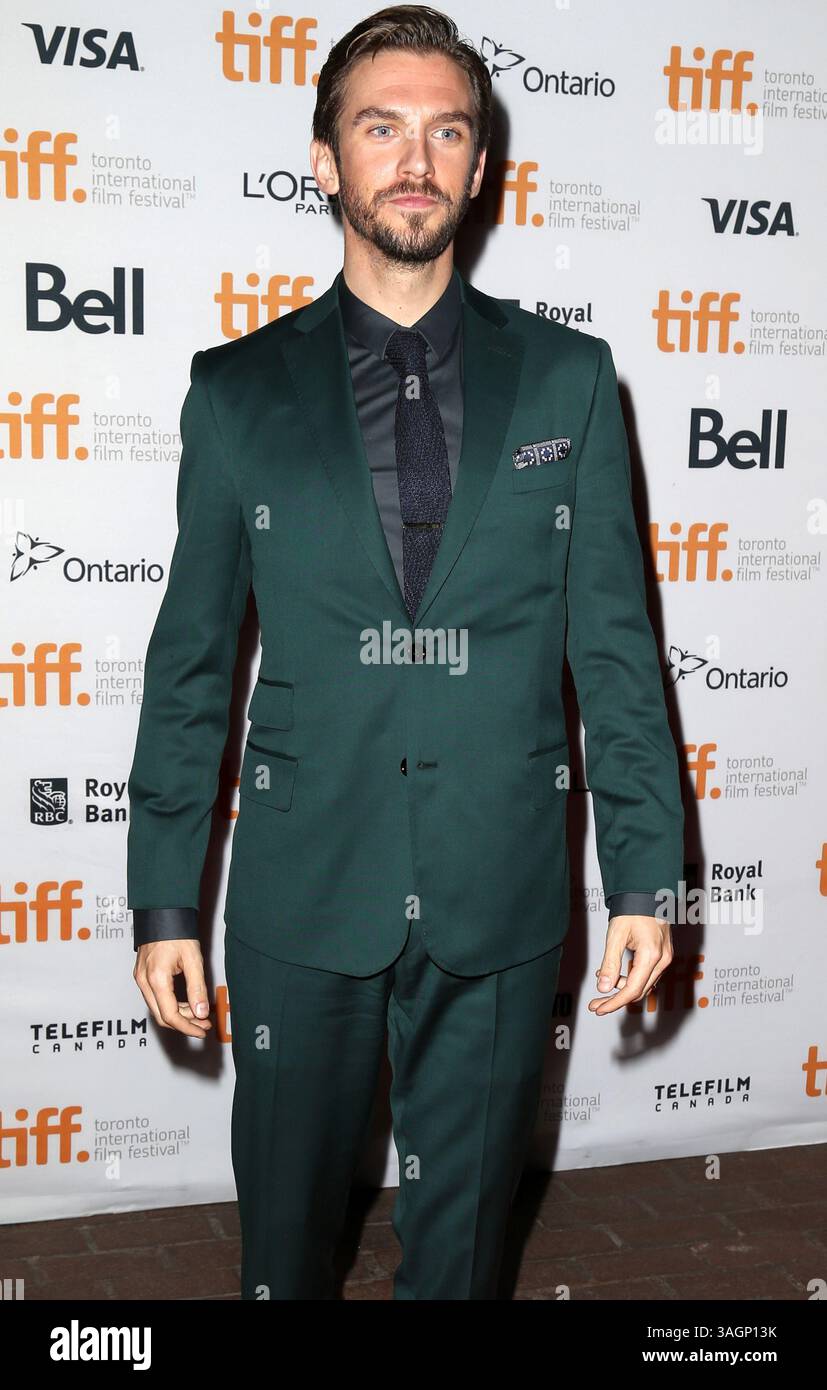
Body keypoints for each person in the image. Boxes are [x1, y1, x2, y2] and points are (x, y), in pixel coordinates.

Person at [126, 5, 684, 1299]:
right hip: (300, 895)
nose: (416, 158)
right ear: (326, 161)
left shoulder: (570, 381)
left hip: (497, 891)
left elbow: (616, 647)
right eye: (381, 128)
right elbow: (191, 660)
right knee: (283, 1258)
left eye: (447, 131)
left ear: (481, 167)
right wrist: (166, 893)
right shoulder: (238, 391)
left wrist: (648, 875)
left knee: (466, 1255)